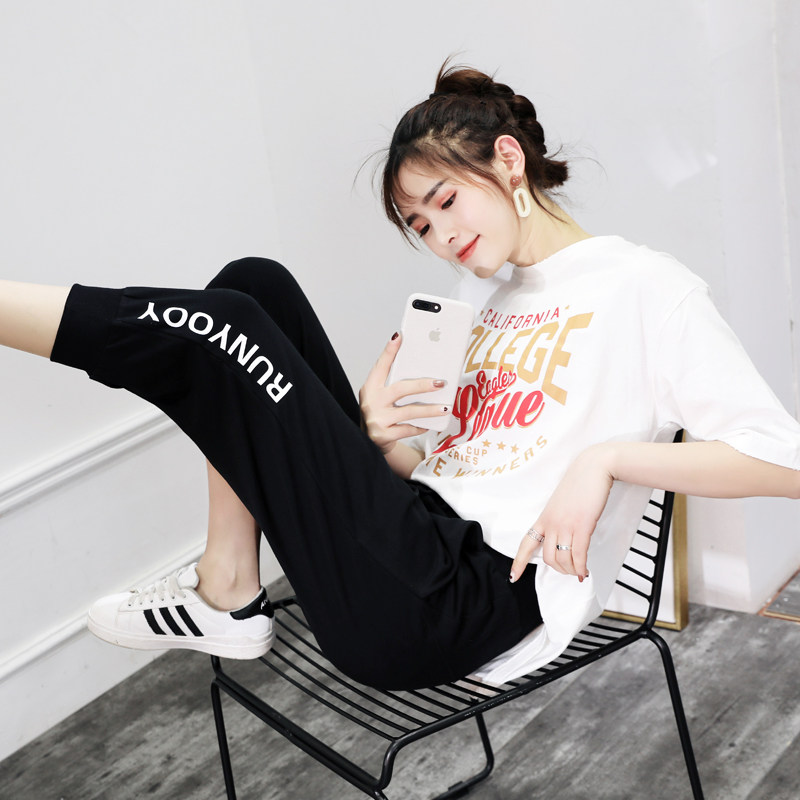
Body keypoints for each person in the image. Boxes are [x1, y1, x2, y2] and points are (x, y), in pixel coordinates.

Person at [2, 63, 799, 690]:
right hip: (418, 545)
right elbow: (465, 477)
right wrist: (381, 442)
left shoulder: (645, 288)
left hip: (460, 605)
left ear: (509, 161)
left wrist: (609, 460)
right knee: (253, 284)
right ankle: (229, 583)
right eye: (421, 224)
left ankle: (223, 591)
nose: (440, 235)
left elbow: (784, 463)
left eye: (446, 202)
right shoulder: (483, 299)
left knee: (231, 326)